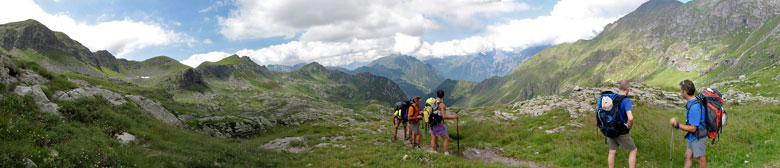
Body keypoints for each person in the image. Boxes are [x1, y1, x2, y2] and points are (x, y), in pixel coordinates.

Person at [669, 80, 707, 168]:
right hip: (693, 136)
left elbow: (693, 128)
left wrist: (677, 124)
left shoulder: (694, 107)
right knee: (688, 156)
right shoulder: (694, 99)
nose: (680, 92)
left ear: (685, 92)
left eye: (681, 90)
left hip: (698, 136)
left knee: (700, 159)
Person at [607, 80, 637, 168]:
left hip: (610, 128)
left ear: (619, 88)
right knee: (633, 150)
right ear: (628, 88)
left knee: (612, 151)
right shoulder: (626, 101)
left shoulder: (612, 97)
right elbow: (630, 118)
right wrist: (629, 126)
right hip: (621, 130)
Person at [429, 90, 459, 155]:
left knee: (433, 136)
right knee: (446, 138)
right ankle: (446, 153)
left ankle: (434, 151)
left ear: (436, 95)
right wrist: (454, 117)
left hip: (431, 122)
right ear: (443, 96)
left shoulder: (433, 101)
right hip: (438, 123)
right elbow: (444, 116)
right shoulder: (441, 105)